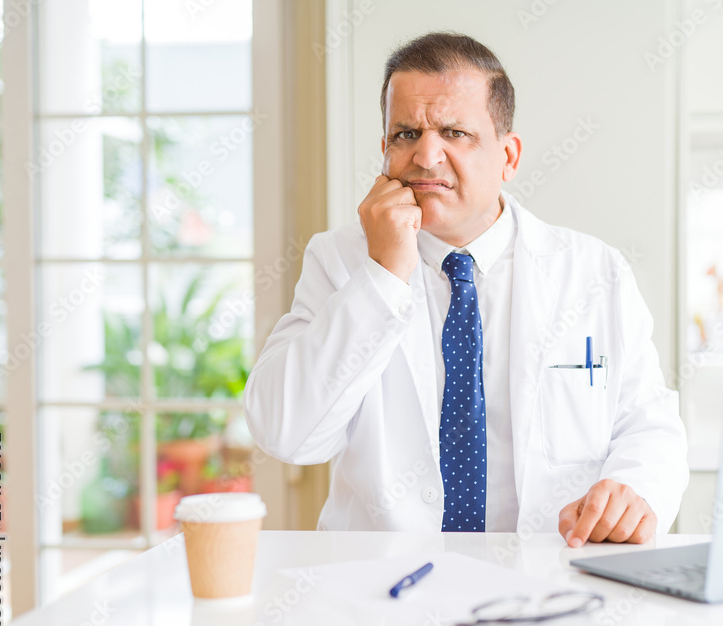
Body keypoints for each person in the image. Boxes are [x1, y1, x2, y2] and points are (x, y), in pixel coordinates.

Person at [244, 31, 688, 546]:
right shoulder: (339, 261)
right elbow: (287, 433)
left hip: (551, 578)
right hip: (382, 591)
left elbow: (649, 423)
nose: (426, 157)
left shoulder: (594, 272)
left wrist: (635, 489)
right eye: (405, 134)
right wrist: (382, 275)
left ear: (509, 155)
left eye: (455, 133)